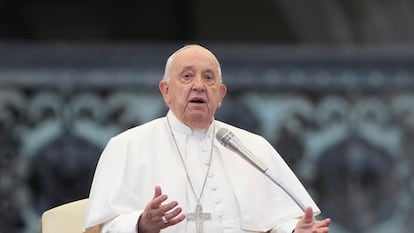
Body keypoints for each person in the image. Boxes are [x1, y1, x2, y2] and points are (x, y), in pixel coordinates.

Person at [83, 44, 331, 233]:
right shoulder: (127, 146)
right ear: (166, 91)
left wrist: (294, 230)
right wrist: (142, 223)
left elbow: (279, 221)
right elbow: (107, 227)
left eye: (208, 78)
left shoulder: (252, 148)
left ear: (220, 94)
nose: (199, 86)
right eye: (187, 76)